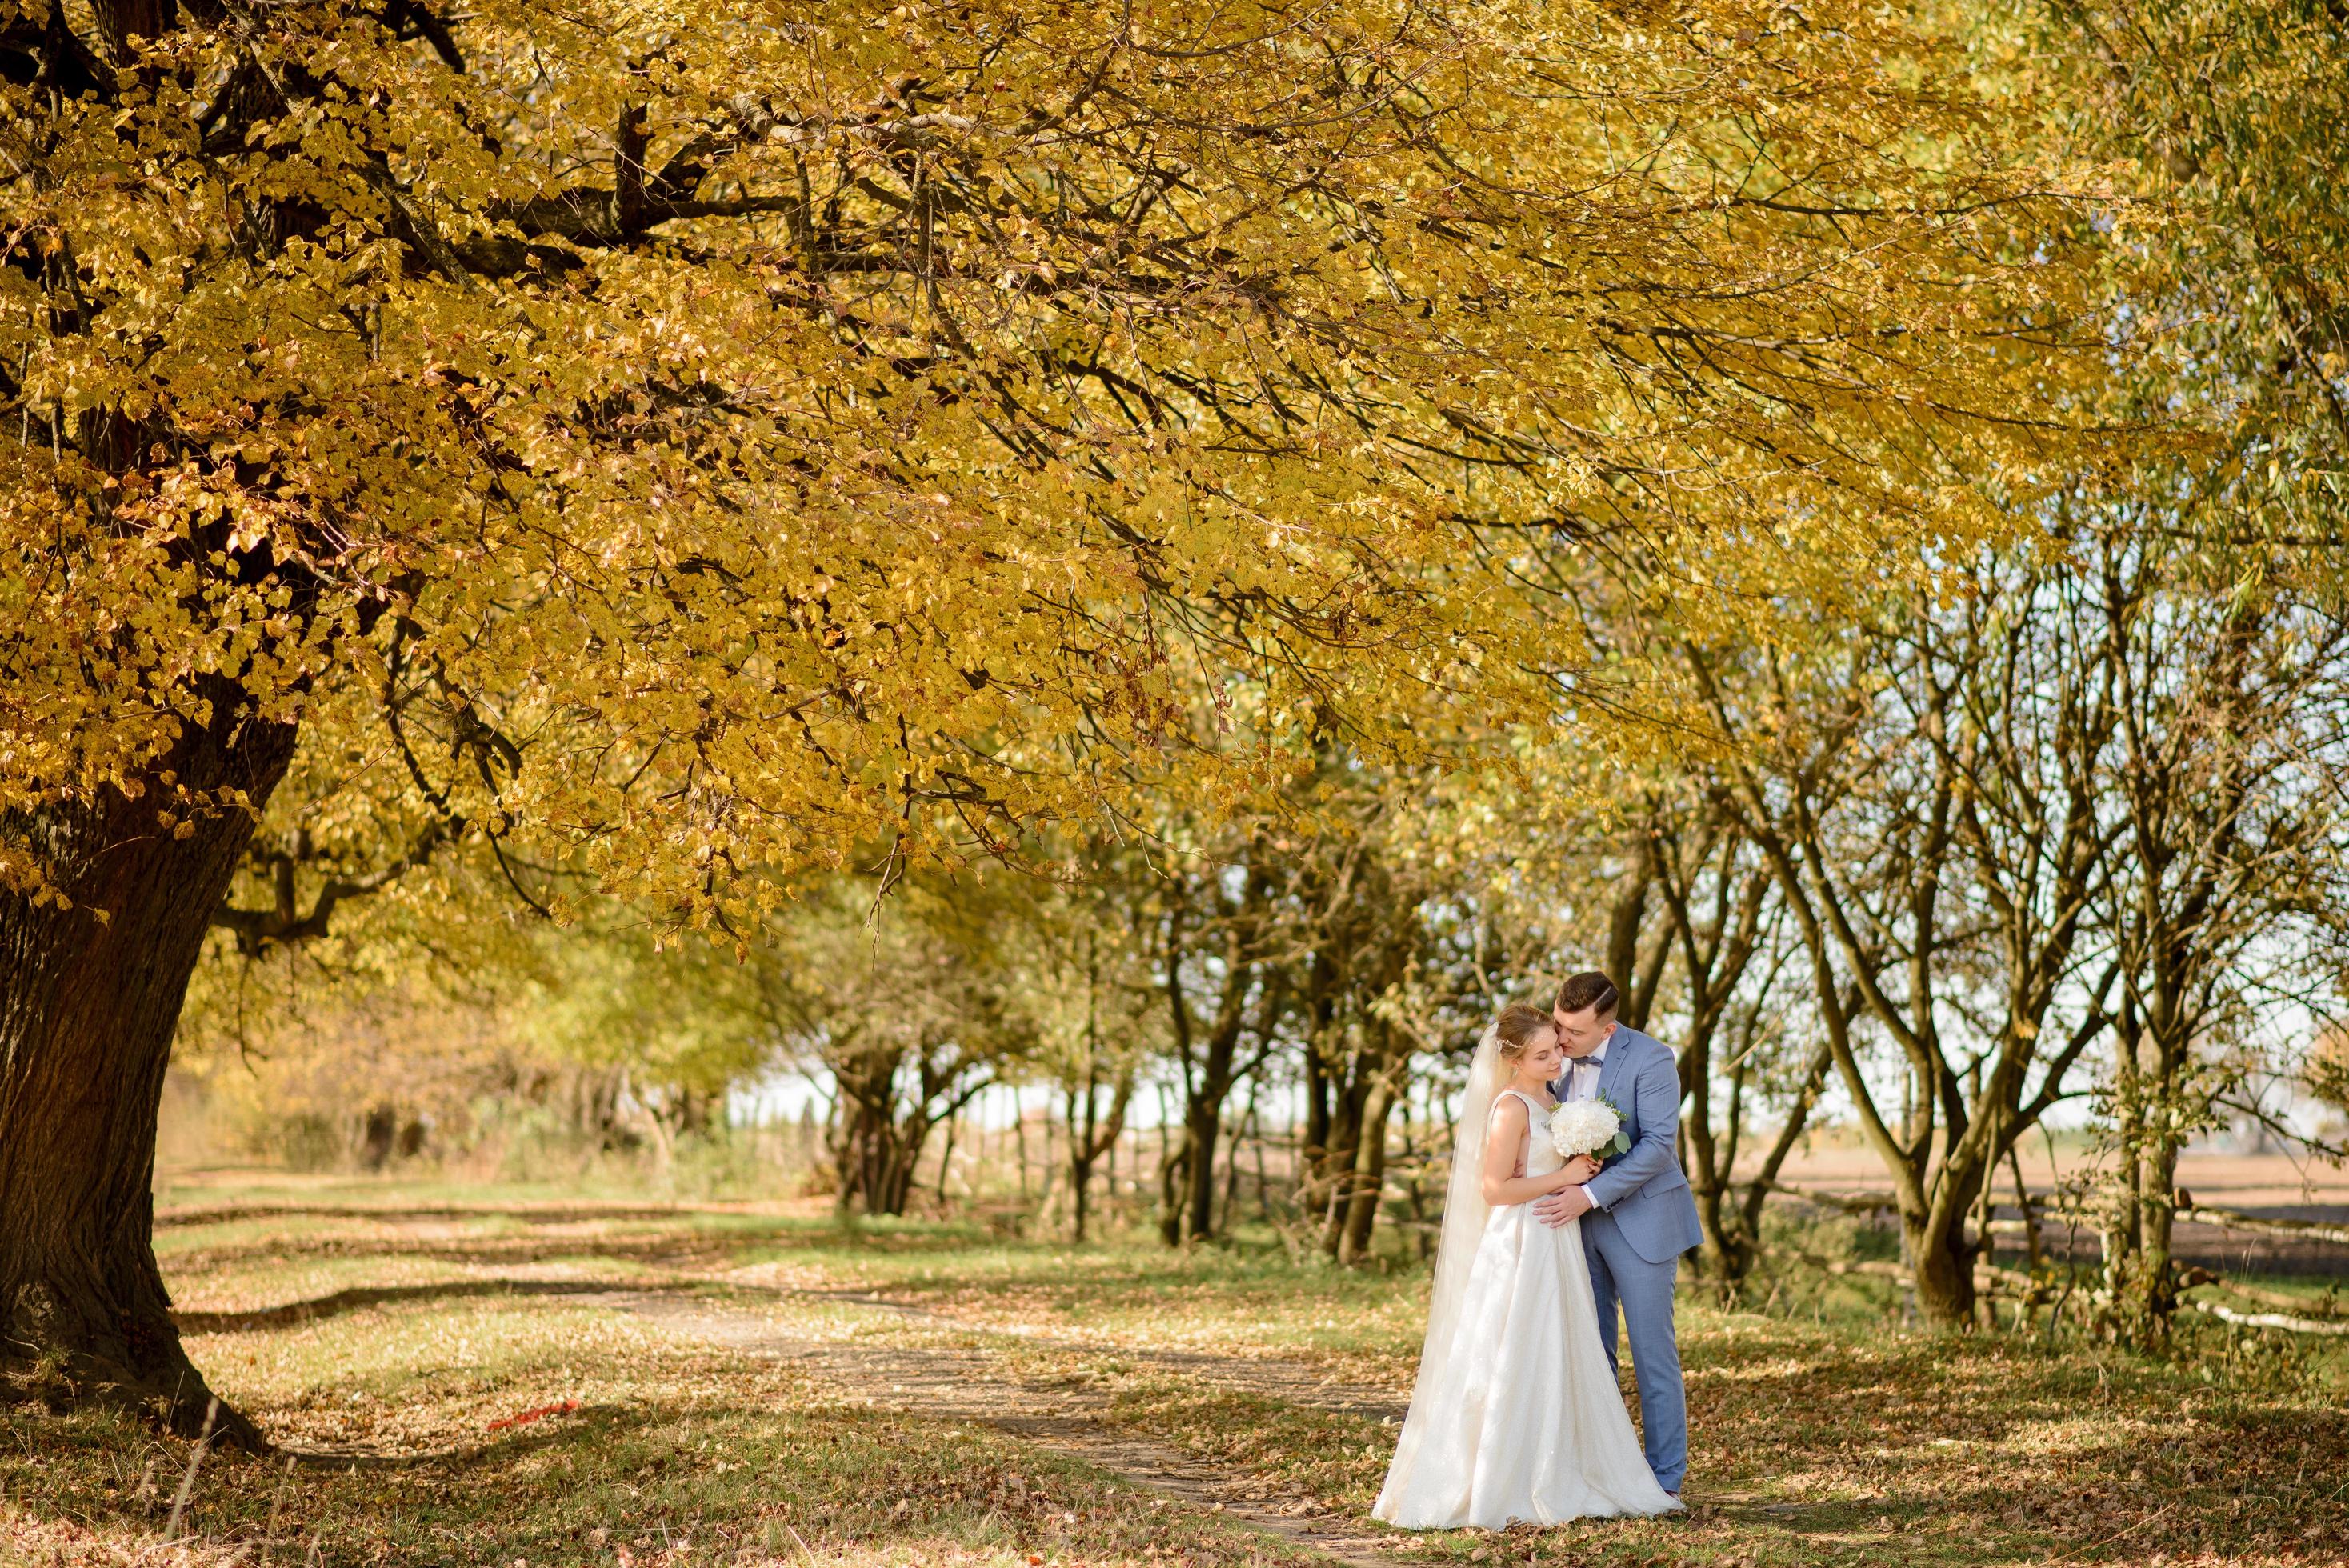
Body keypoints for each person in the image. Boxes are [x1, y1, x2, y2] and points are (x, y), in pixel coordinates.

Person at [1372, 1002, 1682, 1528]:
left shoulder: (1556, 1098)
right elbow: (1495, 1189)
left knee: (1564, 1352)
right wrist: (1564, 1179)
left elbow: (1645, 1143)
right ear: (1515, 1060)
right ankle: (1501, 1473)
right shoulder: (1510, 1106)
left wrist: (1582, 1171)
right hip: (1523, 1239)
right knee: (1514, 1348)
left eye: (1559, 1046)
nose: (1558, 1056)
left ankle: (1570, 1463)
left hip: (1559, 1238)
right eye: (1543, 1053)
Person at [1532, 970, 1705, 1498]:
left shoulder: (1652, 1059)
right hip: (1573, 1228)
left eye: (1575, 1034)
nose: (1562, 1041)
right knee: (1590, 1352)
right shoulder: (1551, 1060)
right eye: (1559, 1025)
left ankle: (1664, 1482)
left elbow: (1656, 1145)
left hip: (1642, 1223)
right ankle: (1604, 1474)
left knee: (1653, 1354)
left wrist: (1588, 1194)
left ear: (1606, 1030)